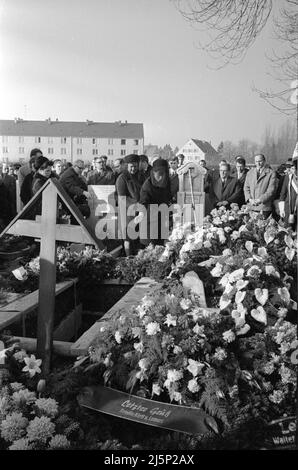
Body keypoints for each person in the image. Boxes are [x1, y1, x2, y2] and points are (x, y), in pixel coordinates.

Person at [139, 158, 172, 246]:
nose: (161, 177)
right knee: (151, 246)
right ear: (153, 172)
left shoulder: (166, 182)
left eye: (164, 174)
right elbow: (143, 202)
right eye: (159, 174)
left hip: (162, 219)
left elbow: (168, 196)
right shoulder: (147, 185)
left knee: (162, 245)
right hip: (150, 220)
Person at [116, 154, 142, 256]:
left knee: (139, 235)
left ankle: (138, 256)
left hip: (140, 211)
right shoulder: (122, 178)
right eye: (131, 166)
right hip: (127, 212)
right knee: (128, 236)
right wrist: (137, 206)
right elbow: (122, 198)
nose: (133, 169)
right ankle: (128, 257)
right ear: (127, 166)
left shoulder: (141, 176)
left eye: (135, 166)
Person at [279, 160, 298, 229]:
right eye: (293, 168)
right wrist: (281, 209)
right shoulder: (288, 177)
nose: (295, 171)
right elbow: (283, 194)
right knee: (288, 232)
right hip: (288, 210)